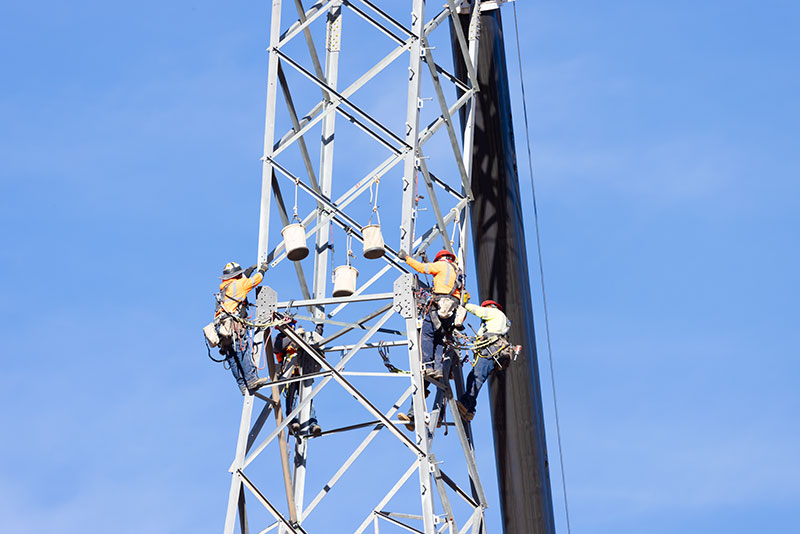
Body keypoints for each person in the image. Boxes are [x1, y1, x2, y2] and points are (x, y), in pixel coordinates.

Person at [396, 248, 464, 430]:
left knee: (426, 335)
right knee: (439, 339)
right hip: (451, 311)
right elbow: (465, 296)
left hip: (438, 306)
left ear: (441, 258)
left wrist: (406, 258)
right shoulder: (458, 273)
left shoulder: (441, 266)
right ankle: (435, 369)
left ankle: (427, 366)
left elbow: (421, 268)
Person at [215, 261, 269, 395]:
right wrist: (262, 269)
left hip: (221, 327)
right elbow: (255, 280)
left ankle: (242, 385)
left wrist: (250, 269)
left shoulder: (224, 288)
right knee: (241, 350)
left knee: (231, 356)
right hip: (232, 325)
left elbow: (243, 278)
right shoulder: (239, 285)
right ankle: (251, 380)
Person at [456, 298, 514, 421]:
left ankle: (465, 405)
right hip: (494, 352)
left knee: (476, 378)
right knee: (475, 377)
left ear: (489, 307)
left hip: (490, 350)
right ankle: (470, 410)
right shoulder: (498, 322)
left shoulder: (494, 312)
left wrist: (464, 304)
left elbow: (479, 311)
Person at [274, 322, 324, 437]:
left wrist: (319, 326)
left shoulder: (302, 336)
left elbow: (315, 340)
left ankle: (312, 424)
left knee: (308, 399)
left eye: (291, 325)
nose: (291, 327)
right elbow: (277, 348)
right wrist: (292, 336)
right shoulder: (280, 338)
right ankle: (292, 422)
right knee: (292, 398)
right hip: (290, 373)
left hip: (303, 371)